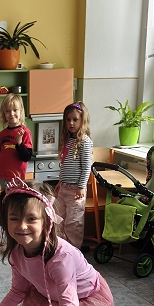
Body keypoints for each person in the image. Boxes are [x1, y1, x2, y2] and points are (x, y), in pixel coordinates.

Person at [56, 101, 93, 249]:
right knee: (59, 220)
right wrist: (60, 182)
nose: (71, 123)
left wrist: (82, 186)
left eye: (75, 119)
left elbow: (86, 167)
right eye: (68, 119)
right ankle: (62, 249)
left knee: (73, 223)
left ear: (82, 120)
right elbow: (65, 165)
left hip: (76, 190)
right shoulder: (68, 140)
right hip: (64, 188)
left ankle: (74, 251)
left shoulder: (85, 141)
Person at [0, 95, 33, 196]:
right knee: (4, 202)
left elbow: (26, 157)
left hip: (17, 178)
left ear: (21, 112)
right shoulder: (1, 135)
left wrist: (19, 143)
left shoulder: (25, 132)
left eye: (15, 110)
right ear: (4, 114)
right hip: (2, 177)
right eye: (7, 111)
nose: (11, 114)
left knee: (15, 202)